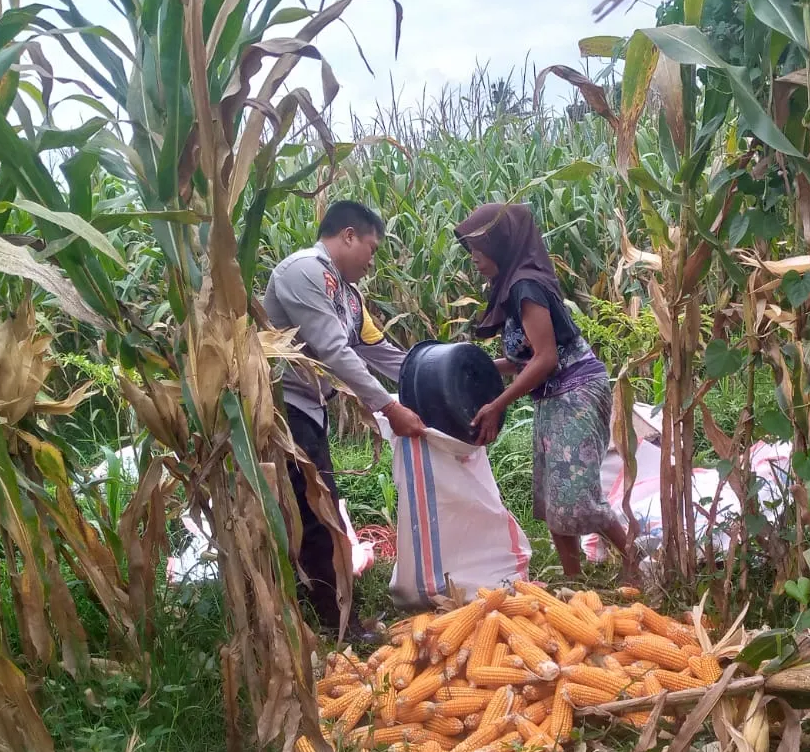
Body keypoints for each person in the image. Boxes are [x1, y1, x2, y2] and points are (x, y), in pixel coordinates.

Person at [259, 200, 425, 633]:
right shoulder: (305, 272)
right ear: (348, 235)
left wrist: (434, 368)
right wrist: (389, 407)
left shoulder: (348, 295)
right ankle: (338, 623)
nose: (372, 261)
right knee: (319, 514)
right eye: (370, 248)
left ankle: (317, 609)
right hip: (283, 410)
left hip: (309, 409)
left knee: (315, 510)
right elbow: (334, 349)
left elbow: (375, 349)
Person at [454, 202, 635, 580]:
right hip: (554, 396)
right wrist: (477, 368)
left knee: (576, 498)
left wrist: (497, 403)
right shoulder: (511, 286)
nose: (473, 257)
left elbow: (547, 359)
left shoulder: (525, 286)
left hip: (577, 391)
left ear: (500, 242)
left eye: (478, 247)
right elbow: (528, 358)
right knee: (552, 498)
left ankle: (639, 567)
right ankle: (574, 584)